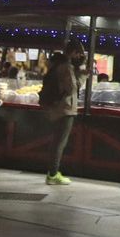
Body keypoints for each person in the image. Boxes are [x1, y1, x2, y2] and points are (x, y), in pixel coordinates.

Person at [41, 44, 86, 186]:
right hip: (64, 109)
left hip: (56, 108)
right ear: (73, 52)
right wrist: (83, 75)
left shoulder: (58, 64)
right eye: (79, 54)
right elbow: (72, 87)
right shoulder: (66, 67)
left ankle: (53, 172)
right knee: (59, 143)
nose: (80, 57)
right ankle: (53, 174)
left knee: (56, 142)